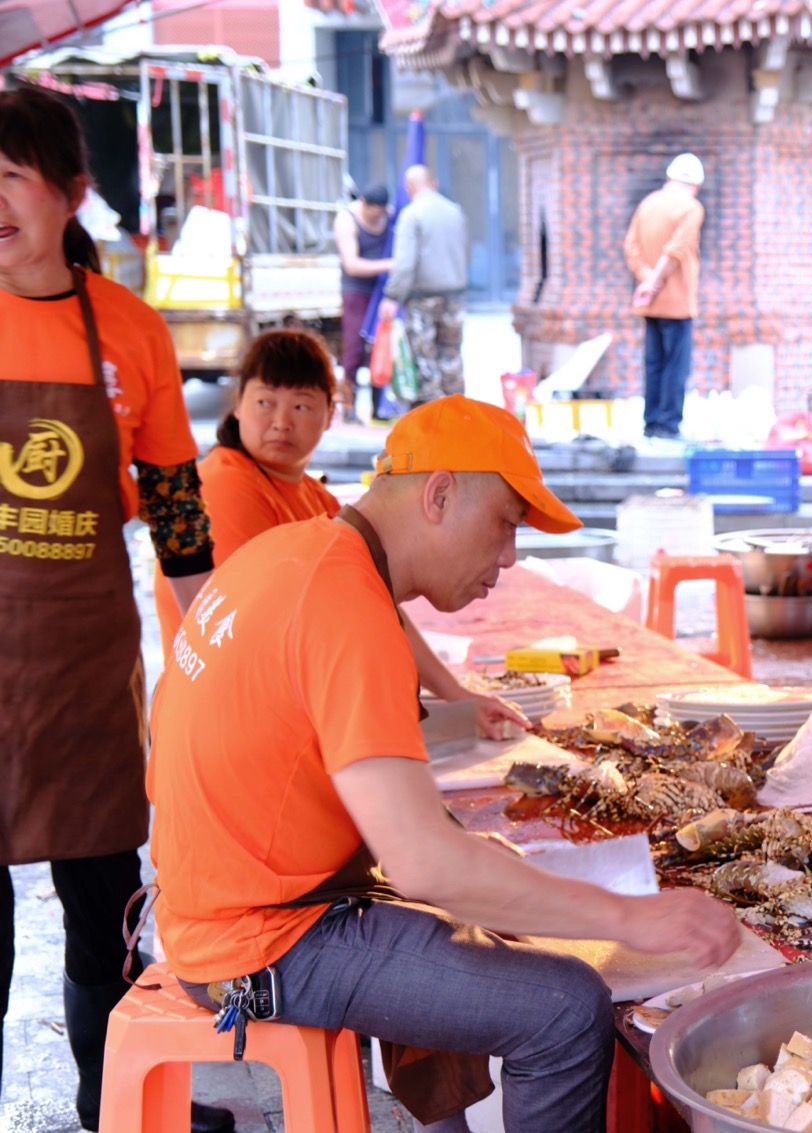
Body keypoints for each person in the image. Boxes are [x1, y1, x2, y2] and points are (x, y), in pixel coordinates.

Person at [146, 395, 743, 1131]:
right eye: (505, 524)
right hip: (261, 938)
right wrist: (630, 916)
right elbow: (426, 863)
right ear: (439, 494)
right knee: (564, 1005)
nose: (509, 557)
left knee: (480, 893)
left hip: (221, 897)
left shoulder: (297, 552)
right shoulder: (342, 601)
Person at [0, 85, 232, 1133]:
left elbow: (181, 522)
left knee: (108, 914)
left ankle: (123, 1112)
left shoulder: (130, 332)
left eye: (11, 176)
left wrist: (225, 661)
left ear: (71, 193)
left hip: (84, 674)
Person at [147, 330, 530, 737]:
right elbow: (262, 638)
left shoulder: (314, 497)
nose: (280, 422)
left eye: (301, 405)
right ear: (237, 405)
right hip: (226, 721)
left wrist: (456, 695)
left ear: (331, 415)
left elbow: (376, 596)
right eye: (264, 402)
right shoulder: (226, 486)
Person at [623, 152, 705, 440]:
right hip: (677, 302)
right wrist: (655, 281)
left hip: (650, 303)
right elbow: (677, 249)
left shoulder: (648, 203)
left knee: (654, 362)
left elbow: (630, 245)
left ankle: (651, 422)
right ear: (695, 183)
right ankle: (668, 425)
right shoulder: (691, 208)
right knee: (675, 364)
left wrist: (645, 279)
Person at [381, 165, 469, 405]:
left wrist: (392, 296)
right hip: (454, 296)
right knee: (451, 356)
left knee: (424, 358)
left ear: (409, 188)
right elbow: (466, 254)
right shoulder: (455, 212)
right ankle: (458, 412)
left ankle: (431, 416)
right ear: (435, 183)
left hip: (423, 298)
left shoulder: (412, 215)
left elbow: (405, 263)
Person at [334, 182, 393, 421]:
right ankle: (348, 406)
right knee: (353, 350)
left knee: (382, 348)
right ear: (364, 205)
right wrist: (391, 265)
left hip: (381, 291)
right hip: (356, 291)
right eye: (373, 212)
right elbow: (352, 264)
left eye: (382, 213)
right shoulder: (347, 220)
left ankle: (379, 407)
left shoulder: (390, 217)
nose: (378, 217)